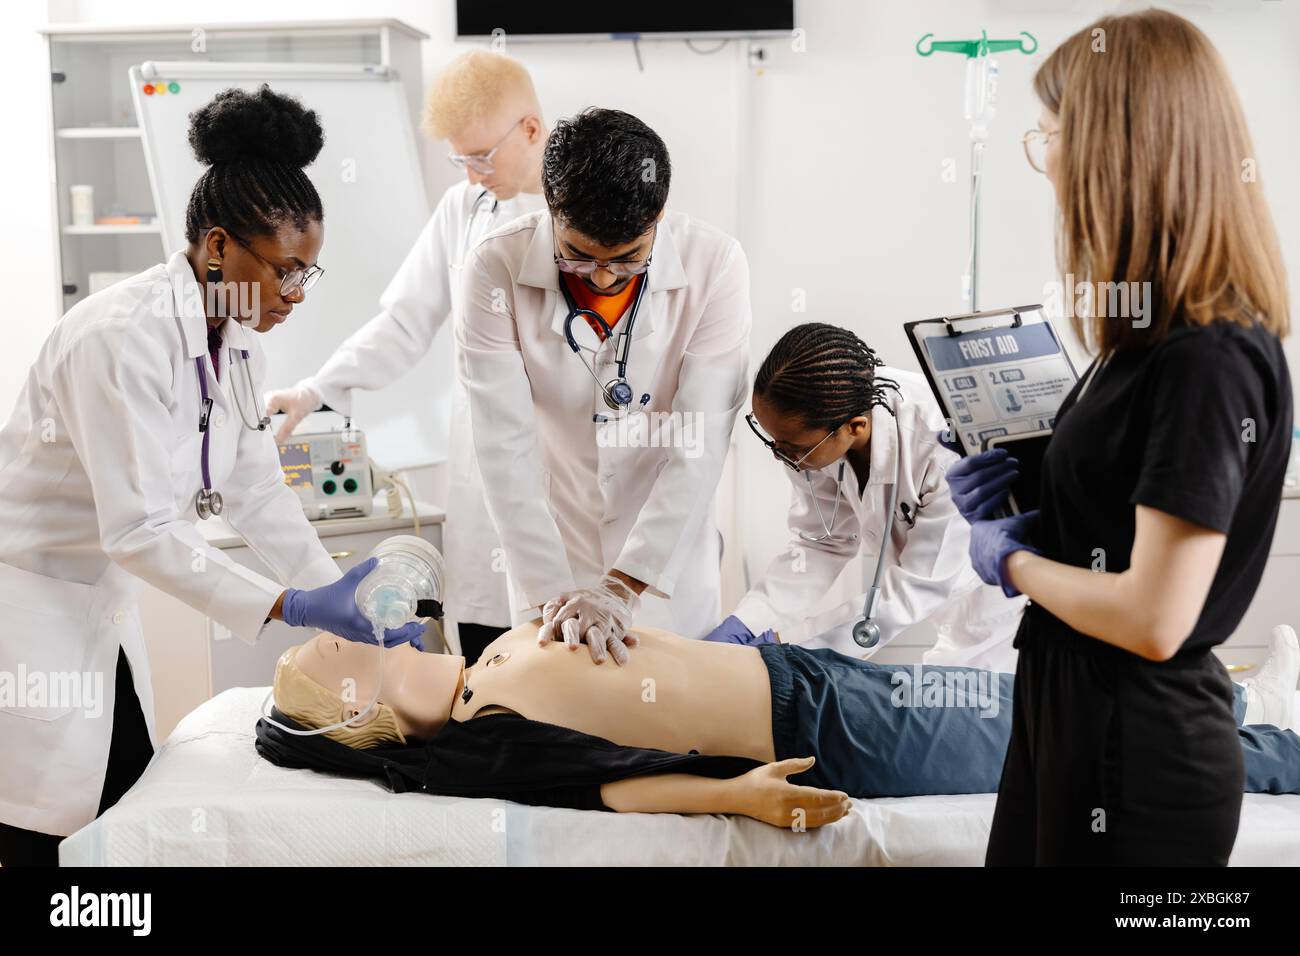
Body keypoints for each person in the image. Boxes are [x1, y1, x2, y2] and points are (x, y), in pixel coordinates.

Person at [0, 86, 421, 867]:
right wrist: (290, 604)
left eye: (308, 274)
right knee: (36, 821)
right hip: (27, 606)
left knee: (109, 799)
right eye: (285, 271)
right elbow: (138, 529)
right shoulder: (120, 337)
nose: (296, 295)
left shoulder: (238, 341)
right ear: (220, 246)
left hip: (96, 606)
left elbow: (254, 489)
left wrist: (339, 598)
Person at [952, 9, 1294, 865]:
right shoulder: (1141, 341)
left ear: (1114, 150)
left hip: (1138, 756)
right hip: (1068, 716)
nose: (1047, 161)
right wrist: (1029, 502)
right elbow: (1123, 517)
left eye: (1051, 135)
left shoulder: (1209, 355)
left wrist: (1012, 562)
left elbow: (1154, 618)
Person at [257, 620, 1300, 828]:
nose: (358, 631)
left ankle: (1240, 707)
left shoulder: (484, 660)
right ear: (357, 708)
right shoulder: (480, 730)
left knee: (1042, 701)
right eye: (342, 652)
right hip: (837, 729)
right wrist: (739, 797)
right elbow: (601, 784)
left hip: (811, 672)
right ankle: (1272, 751)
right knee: (1074, 738)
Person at [264, 51, 548, 666]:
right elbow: (404, 322)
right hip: (484, 472)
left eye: (482, 157)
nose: (472, 174)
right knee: (486, 657)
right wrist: (316, 389)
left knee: (557, 661)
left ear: (530, 129)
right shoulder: (464, 209)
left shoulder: (582, 211)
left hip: (560, 474)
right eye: (461, 159)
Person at [456, 108, 751, 664]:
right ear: (550, 208)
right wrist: (554, 595)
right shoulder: (495, 267)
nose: (604, 276)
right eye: (578, 257)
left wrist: (623, 586)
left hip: (664, 564)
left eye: (628, 259)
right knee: (556, 704)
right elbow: (501, 445)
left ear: (659, 216)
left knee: (673, 708)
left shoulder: (715, 265)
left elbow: (700, 442)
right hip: (552, 545)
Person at [706, 322, 1025, 672]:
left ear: (855, 427)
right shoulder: (815, 427)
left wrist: (785, 646)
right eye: (775, 442)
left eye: (793, 448)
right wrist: (748, 622)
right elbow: (822, 543)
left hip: (1005, 620)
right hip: (952, 621)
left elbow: (913, 589)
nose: (781, 456)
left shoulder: (942, 448)